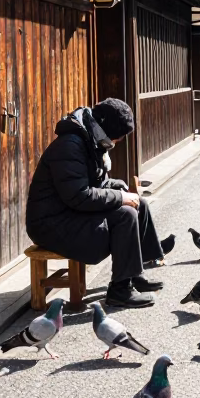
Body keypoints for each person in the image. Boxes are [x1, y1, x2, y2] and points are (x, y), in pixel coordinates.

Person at [25, 99, 164, 308]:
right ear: (107, 129)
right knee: (126, 214)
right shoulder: (70, 146)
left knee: (139, 203)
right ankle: (120, 290)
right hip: (51, 224)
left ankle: (135, 274)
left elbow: (94, 182)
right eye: (118, 137)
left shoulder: (89, 137)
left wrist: (117, 187)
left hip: (70, 213)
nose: (118, 141)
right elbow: (79, 196)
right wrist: (120, 198)